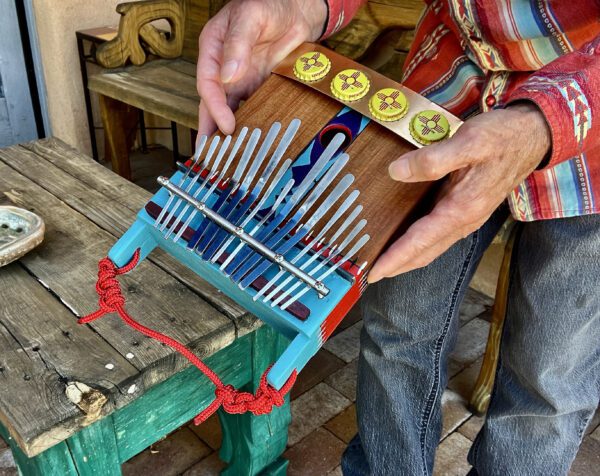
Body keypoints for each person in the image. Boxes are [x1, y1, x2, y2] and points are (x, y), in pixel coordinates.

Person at [196, 1, 600, 474]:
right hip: (442, 95)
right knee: (396, 333)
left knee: (550, 377)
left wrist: (547, 119)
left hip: (590, 137)